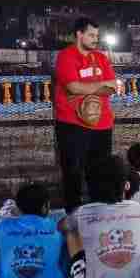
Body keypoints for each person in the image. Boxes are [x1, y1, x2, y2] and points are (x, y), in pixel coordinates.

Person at [54, 17, 118, 212]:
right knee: (72, 172)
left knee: (100, 172)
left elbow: (113, 87)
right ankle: (73, 214)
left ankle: (98, 212)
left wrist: (86, 87)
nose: (95, 39)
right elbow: (72, 87)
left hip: (102, 124)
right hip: (72, 124)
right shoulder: (66, 56)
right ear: (79, 34)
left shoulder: (101, 58)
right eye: (91, 35)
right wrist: (100, 85)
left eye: (97, 36)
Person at [0, 183, 65, 278]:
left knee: (3, 250)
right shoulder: (56, 225)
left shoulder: (2, 226)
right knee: (60, 248)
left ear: (18, 207)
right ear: (45, 206)